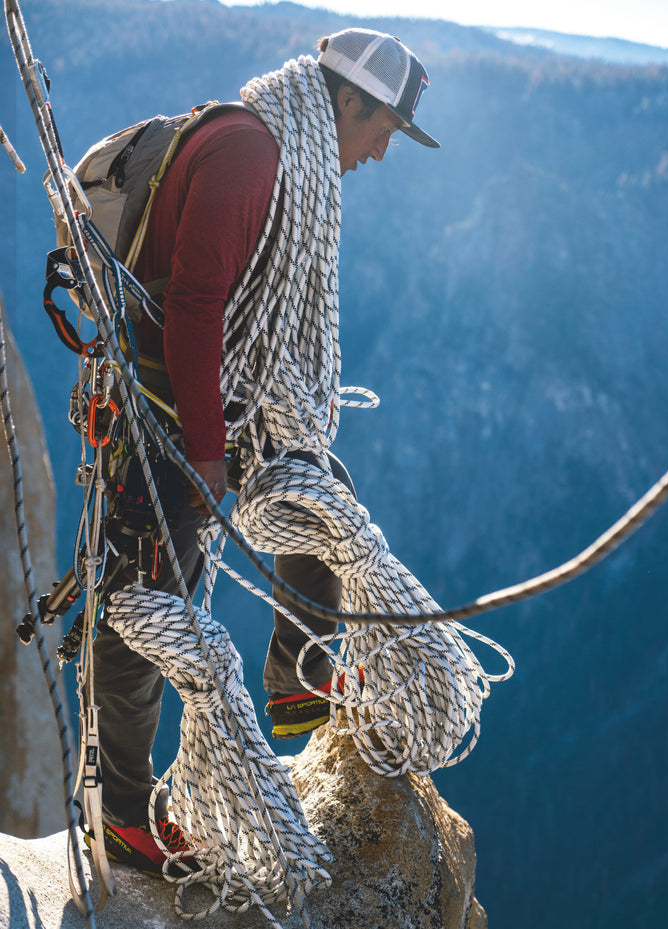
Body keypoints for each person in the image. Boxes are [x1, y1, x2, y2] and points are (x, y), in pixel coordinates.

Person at [87, 26, 439, 876]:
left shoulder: (278, 148)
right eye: (383, 128)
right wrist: (208, 452)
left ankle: (296, 676)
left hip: (209, 393)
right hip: (165, 408)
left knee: (316, 489)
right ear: (346, 100)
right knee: (150, 601)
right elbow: (195, 304)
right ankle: (122, 815)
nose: (381, 152)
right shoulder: (251, 154)